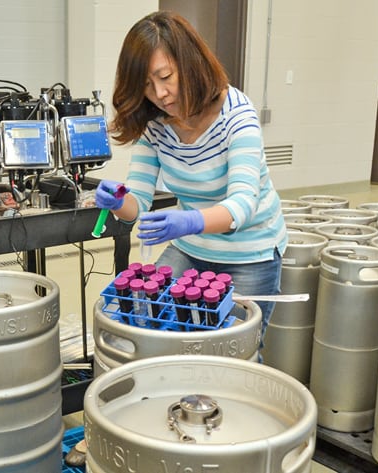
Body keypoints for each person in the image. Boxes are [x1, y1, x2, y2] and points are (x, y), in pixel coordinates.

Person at [96, 10, 287, 328]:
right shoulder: (154, 124)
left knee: (233, 345)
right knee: (158, 326)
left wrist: (190, 221)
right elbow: (138, 205)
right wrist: (118, 201)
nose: (159, 94)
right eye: (146, 85)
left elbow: (242, 205)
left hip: (250, 253)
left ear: (190, 64)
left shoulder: (237, 116)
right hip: (191, 248)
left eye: (166, 77)